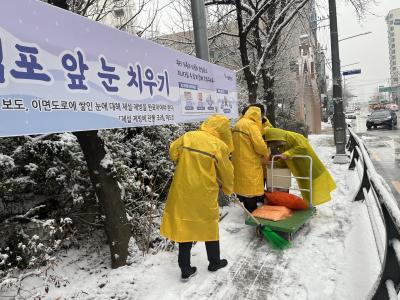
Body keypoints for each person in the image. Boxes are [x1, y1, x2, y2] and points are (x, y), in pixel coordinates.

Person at [160, 115, 234, 282]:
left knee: (185, 226)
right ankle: (214, 262)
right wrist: (228, 189)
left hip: (183, 190)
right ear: (223, 131)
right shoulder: (220, 146)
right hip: (204, 193)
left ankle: (185, 269)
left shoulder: (189, 136)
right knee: (209, 224)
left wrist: (183, 160)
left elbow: (173, 151)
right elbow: (227, 172)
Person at [264, 128, 336, 206]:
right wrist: (275, 164)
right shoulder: (282, 144)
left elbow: (303, 147)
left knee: (313, 185)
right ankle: (309, 204)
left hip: (308, 165)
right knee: (306, 187)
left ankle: (311, 204)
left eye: (274, 143)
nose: (275, 146)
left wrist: (288, 153)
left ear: (276, 138)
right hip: (300, 168)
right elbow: (285, 158)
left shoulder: (295, 137)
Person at [232, 106, 269, 212]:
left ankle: (248, 210)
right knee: (251, 188)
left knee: (243, 186)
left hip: (238, 161)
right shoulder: (251, 126)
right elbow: (260, 146)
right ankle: (253, 212)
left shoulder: (238, 123)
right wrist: (265, 152)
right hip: (249, 161)